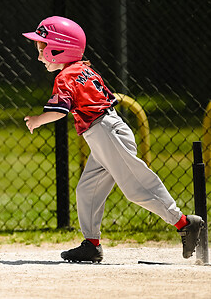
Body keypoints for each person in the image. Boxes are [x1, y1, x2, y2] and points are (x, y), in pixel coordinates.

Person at [22, 16, 204, 263]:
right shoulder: (84, 68)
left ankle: (183, 223)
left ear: (60, 48)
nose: (40, 55)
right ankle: (91, 244)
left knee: (136, 187)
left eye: (43, 48)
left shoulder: (65, 77)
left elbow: (59, 111)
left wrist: (36, 120)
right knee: (88, 190)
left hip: (105, 133)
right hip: (104, 133)